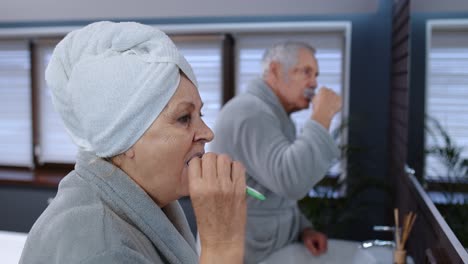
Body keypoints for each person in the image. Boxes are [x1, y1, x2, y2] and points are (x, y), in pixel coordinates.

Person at [19, 21, 247, 264]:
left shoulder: (146, 201)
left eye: (199, 115)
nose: (207, 133)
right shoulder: (102, 248)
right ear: (125, 138)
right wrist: (222, 247)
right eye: (184, 118)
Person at [209, 41, 342, 263]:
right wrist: (322, 117)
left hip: (268, 249)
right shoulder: (250, 112)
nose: (315, 83)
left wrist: (303, 229)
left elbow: (271, 192)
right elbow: (291, 180)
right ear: (274, 70)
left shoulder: (276, 117)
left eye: (316, 75)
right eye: (306, 72)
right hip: (244, 254)